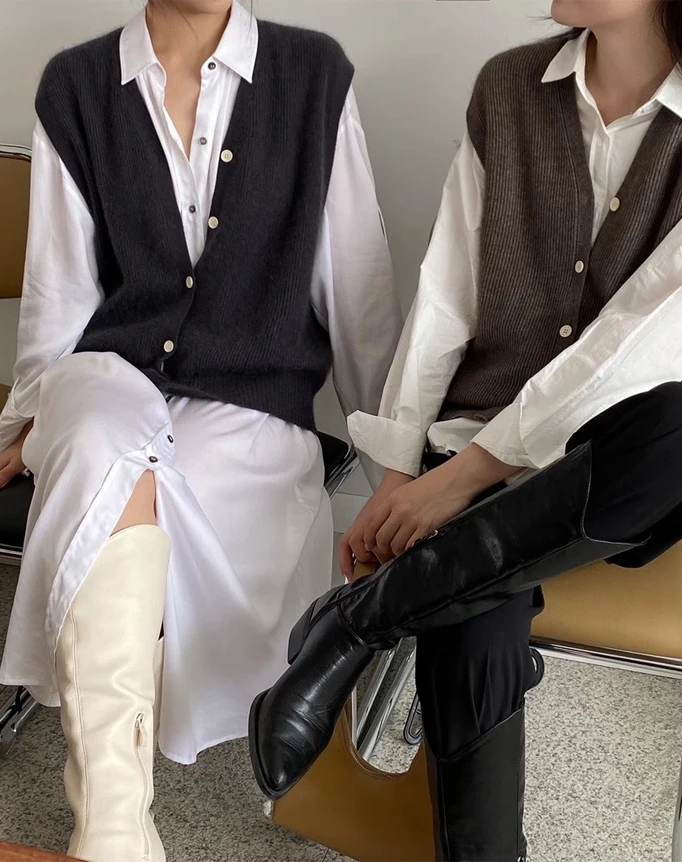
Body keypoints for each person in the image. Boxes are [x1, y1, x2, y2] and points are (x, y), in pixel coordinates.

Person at [248, 0, 682, 859]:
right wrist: (400, 472)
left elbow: (644, 344)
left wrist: (461, 479)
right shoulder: (509, 90)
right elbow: (447, 296)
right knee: (474, 598)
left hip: (625, 467)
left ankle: (355, 624)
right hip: (477, 445)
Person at [0, 1, 401, 860]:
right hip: (106, 377)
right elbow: (57, 292)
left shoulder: (312, 76)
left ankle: (113, 831)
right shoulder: (78, 85)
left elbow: (358, 293)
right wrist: (28, 419)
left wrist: (394, 473)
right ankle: (113, 828)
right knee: (100, 440)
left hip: (250, 401)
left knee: (127, 482)